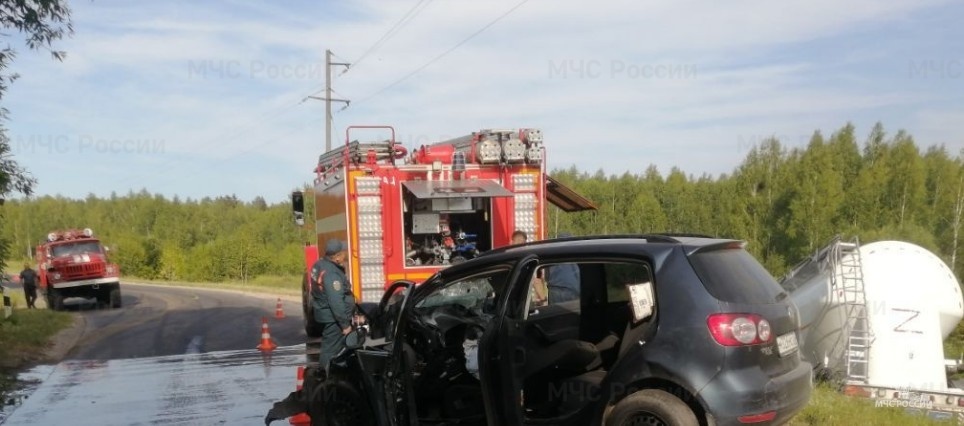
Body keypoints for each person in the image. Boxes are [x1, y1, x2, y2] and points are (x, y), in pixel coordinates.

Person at [309, 238, 357, 372]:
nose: (345, 254)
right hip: (333, 318)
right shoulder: (331, 274)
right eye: (343, 252)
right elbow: (336, 301)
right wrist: (345, 325)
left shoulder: (320, 264)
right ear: (337, 256)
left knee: (337, 348)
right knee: (330, 350)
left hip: (325, 314)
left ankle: (334, 376)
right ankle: (326, 378)